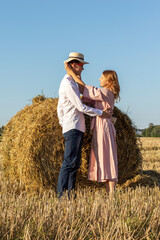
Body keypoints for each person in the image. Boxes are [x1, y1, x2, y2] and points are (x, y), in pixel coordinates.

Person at [57, 52, 111, 198]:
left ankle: (70, 194)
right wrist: (101, 112)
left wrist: (64, 122)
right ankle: (62, 195)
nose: (83, 68)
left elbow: (60, 108)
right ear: (75, 65)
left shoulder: (72, 82)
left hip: (76, 126)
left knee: (74, 163)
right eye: (81, 65)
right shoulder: (67, 83)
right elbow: (80, 107)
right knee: (69, 162)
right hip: (73, 126)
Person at [64, 62, 120, 194]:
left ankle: (112, 193)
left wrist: (71, 73)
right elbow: (86, 98)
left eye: (102, 77)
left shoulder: (106, 92)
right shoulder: (103, 93)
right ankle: (110, 192)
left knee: (107, 156)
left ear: (109, 81)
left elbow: (84, 89)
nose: (99, 79)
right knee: (104, 156)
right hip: (101, 126)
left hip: (104, 127)